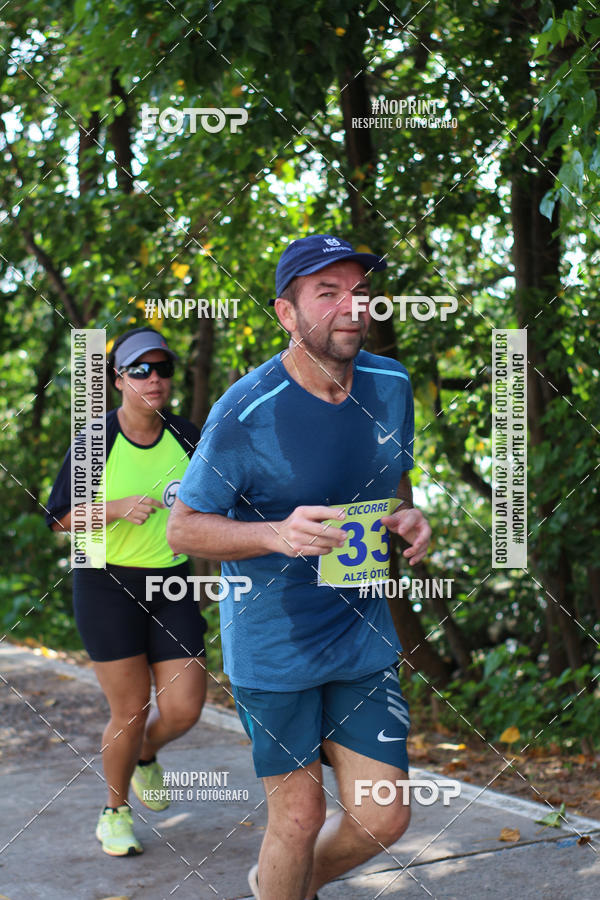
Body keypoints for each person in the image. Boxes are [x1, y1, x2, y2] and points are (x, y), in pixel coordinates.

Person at [167, 234, 431, 900]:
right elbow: (184, 526)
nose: (352, 307)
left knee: (383, 815)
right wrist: (277, 534)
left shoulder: (391, 384)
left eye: (360, 293)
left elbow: (392, 485)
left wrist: (409, 519)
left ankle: (279, 888)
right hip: (273, 645)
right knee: (300, 814)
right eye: (328, 293)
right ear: (287, 315)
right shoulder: (244, 411)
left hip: (360, 638)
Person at [46, 327, 207, 857]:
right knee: (132, 708)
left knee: (184, 707)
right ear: (118, 380)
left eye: (162, 370)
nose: (153, 379)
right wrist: (115, 508)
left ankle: (145, 756)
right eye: (140, 370)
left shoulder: (187, 435)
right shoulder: (96, 439)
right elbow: (60, 520)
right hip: (106, 582)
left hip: (172, 581)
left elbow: (216, 499)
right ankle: (114, 811)